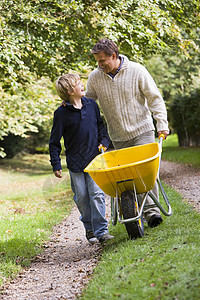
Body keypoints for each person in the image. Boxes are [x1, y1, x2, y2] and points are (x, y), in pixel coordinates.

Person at [85, 38, 170, 228]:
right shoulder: (95, 77)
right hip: (118, 136)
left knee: (147, 173)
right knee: (126, 179)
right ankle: (133, 211)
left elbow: (154, 98)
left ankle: (152, 212)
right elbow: (88, 104)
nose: (99, 65)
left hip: (142, 130)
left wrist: (161, 124)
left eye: (102, 60)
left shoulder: (137, 70)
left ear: (113, 56)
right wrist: (70, 104)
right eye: (97, 61)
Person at [49, 73, 114, 244]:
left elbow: (101, 126)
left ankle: (101, 232)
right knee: (82, 198)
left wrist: (104, 142)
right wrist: (56, 163)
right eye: (78, 83)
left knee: (97, 195)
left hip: (95, 160)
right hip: (76, 163)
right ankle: (89, 227)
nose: (82, 85)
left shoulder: (92, 105)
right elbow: (54, 141)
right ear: (70, 91)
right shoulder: (61, 114)